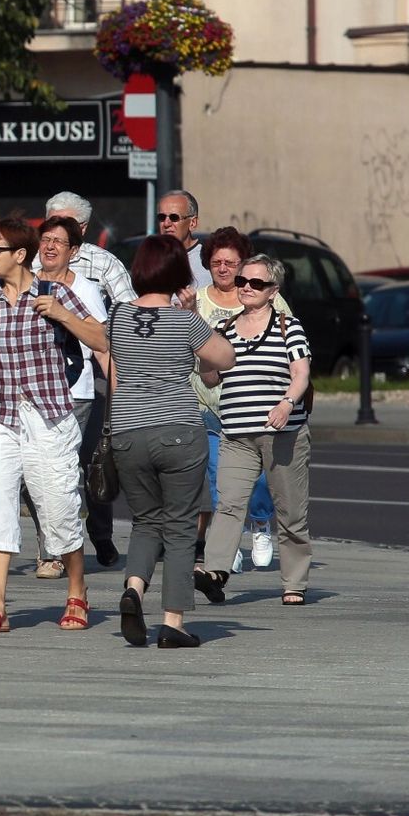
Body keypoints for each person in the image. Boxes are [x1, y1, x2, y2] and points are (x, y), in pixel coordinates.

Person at [0, 217, 107, 634]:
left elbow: (101, 340)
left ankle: (77, 591)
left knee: (58, 507)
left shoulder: (54, 293)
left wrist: (60, 313)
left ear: (19, 255)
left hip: (48, 415)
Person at [107, 235, 236, 648]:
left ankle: (134, 589)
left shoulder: (118, 316)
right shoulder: (185, 321)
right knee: (180, 528)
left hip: (127, 429)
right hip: (178, 429)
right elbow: (224, 358)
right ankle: (173, 622)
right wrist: (195, 314)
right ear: (179, 272)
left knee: (146, 522)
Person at [199, 253, 313, 606]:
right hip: (235, 433)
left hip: (283, 434)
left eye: (256, 283)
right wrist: (207, 358)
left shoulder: (287, 326)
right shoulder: (226, 329)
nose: (247, 288)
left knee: (289, 511)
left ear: (272, 290)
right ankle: (215, 572)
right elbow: (210, 377)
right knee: (229, 505)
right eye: (242, 282)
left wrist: (286, 404)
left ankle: (294, 582)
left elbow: (301, 376)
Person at [196, 226, 283, 569]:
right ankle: (227, 544)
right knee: (222, 480)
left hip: (262, 409)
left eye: (230, 262)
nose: (223, 268)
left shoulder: (264, 297)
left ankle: (260, 522)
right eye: (216, 262)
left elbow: (291, 342)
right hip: (211, 407)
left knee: (261, 479)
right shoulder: (197, 301)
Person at [32, 214, 115, 570]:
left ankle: (67, 548)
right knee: (32, 473)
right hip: (31, 394)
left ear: (74, 251)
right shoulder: (27, 285)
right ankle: (51, 544)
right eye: (45, 239)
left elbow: (101, 342)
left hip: (75, 392)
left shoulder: (84, 289)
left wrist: (119, 393)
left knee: (64, 470)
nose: (50, 246)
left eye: (58, 242)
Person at [38, 192, 135, 309]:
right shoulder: (29, 259)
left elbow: (128, 308)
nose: (57, 230)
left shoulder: (103, 261)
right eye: (52, 224)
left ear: (83, 228)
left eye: (66, 225)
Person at [156, 190, 212, 292]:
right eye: (162, 217)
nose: (166, 223)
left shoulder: (210, 258)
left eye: (174, 217)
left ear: (192, 223)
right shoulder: (151, 258)